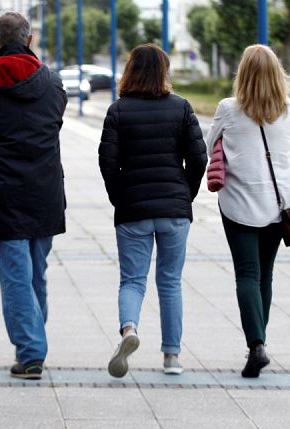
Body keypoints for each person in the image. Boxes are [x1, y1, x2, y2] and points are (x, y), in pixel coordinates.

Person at [0, 12, 67, 380]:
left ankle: (31, 352)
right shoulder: (54, 84)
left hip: (3, 192)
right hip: (45, 191)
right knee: (36, 273)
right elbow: (54, 125)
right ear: (30, 39)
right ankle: (33, 345)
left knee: (15, 277)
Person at [205, 44, 290, 378]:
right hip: (279, 204)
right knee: (264, 274)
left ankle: (256, 345)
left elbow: (211, 145)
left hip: (240, 203)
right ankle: (259, 344)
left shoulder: (228, 109)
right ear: (277, 74)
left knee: (246, 274)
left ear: (243, 74)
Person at [98, 44, 207, 378]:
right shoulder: (182, 108)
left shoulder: (118, 111)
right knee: (170, 281)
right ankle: (172, 356)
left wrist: (120, 196)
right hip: (174, 208)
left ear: (130, 70)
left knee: (132, 280)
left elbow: (107, 161)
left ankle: (129, 330)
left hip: (133, 208)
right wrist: (185, 195)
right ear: (165, 71)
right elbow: (199, 157)